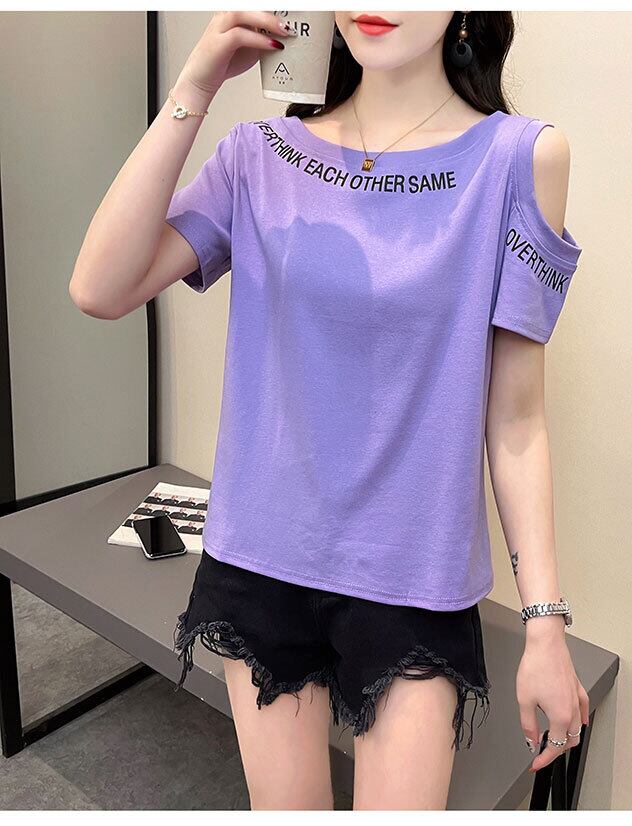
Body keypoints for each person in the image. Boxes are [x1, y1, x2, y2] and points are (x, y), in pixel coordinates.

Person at [69, 10, 590, 811]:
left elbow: (517, 420)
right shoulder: (258, 155)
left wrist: (544, 623)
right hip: (262, 561)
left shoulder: (520, 161)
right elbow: (100, 288)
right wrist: (194, 87)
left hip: (415, 577)